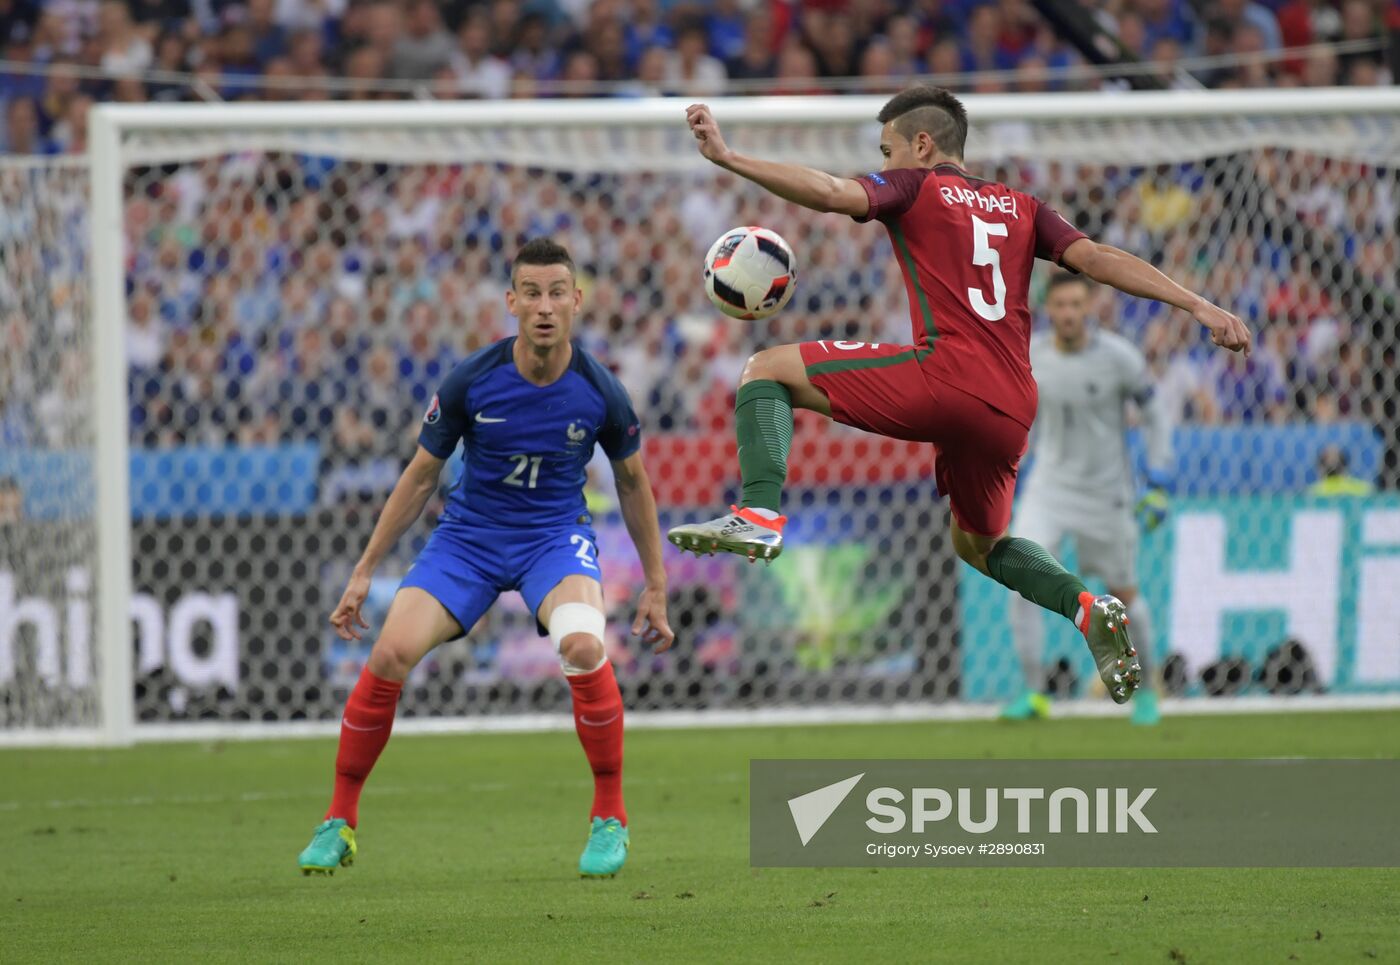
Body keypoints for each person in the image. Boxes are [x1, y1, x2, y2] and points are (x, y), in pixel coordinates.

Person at [666, 86, 1250, 705]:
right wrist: (1197, 303)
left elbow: (835, 194)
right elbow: (1098, 257)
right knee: (979, 544)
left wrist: (731, 159)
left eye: (887, 150)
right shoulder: (1024, 206)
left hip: (945, 376)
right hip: (1014, 403)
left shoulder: (915, 187)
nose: (883, 163)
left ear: (923, 144)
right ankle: (1083, 607)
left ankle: (757, 511)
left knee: (766, 368)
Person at [298, 239, 674, 879]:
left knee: (584, 646)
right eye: (531, 293)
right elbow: (420, 477)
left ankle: (609, 817)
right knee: (389, 654)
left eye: (558, 292)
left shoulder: (601, 392)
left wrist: (656, 586)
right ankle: (339, 821)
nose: (545, 306)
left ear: (577, 301)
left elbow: (634, 484)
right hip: (469, 538)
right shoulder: (471, 380)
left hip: (552, 537)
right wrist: (364, 571)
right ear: (511, 303)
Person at [1000, 273, 1172, 726]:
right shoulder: (1031, 354)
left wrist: (1159, 480)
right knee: (1021, 577)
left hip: (1107, 493)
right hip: (1050, 487)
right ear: (1048, 309)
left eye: (1077, 304)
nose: (1069, 313)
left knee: (1124, 595)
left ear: (1090, 305)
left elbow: (1156, 414)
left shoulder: (1119, 358)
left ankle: (1146, 689)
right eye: (1061, 305)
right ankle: (1034, 693)